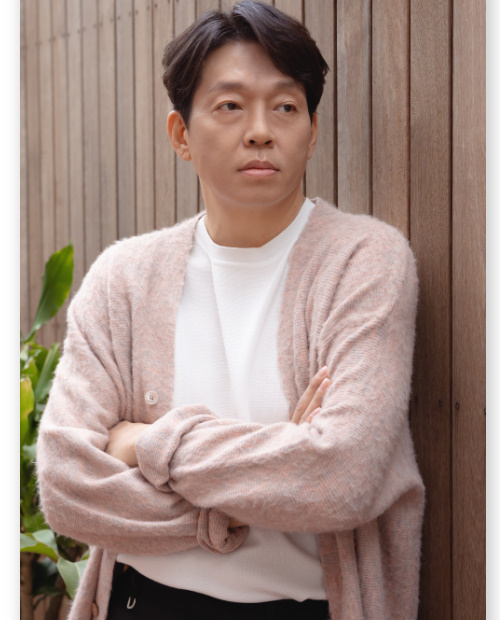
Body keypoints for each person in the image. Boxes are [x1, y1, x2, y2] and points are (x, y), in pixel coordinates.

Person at [37, 2, 425, 619]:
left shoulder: (365, 262)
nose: (261, 130)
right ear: (181, 135)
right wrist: (272, 466)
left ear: (312, 131)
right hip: (142, 602)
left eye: (286, 106)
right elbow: (65, 483)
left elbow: (340, 478)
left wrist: (148, 443)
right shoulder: (124, 279)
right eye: (230, 106)